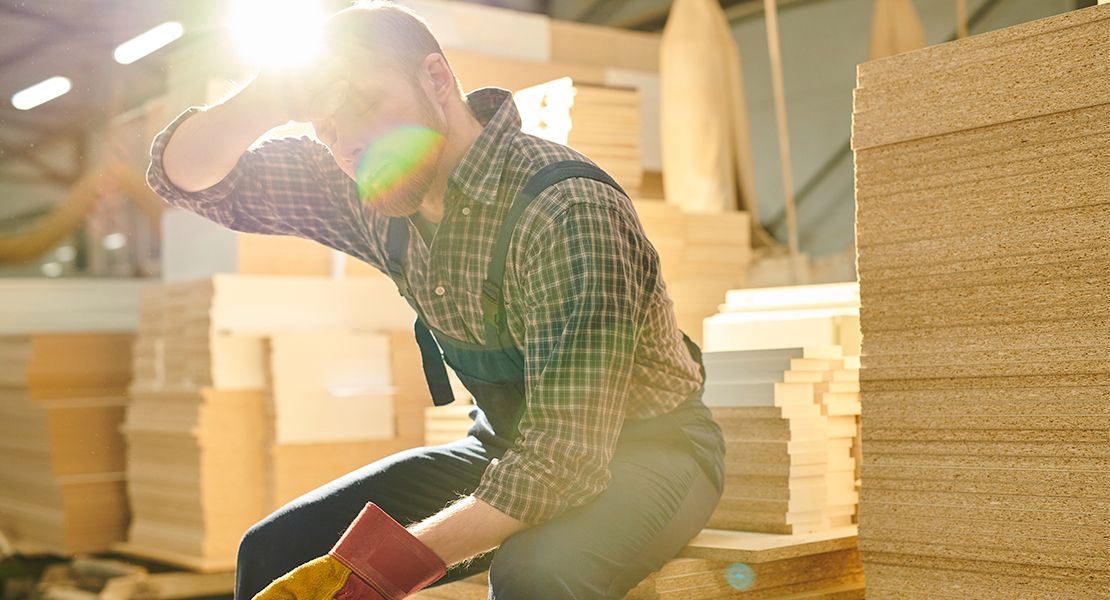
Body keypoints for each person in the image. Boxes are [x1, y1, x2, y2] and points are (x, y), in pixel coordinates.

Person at [147, 2, 725, 598]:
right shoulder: (367, 188)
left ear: (437, 80)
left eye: (366, 106)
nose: (351, 143)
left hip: (648, 452)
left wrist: (374, 570)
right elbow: (186, 176)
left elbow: (566, 461)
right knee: (274, 550)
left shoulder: (565, 212)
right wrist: (269, 96)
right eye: (328, 125)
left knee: (537, 575)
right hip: (506, 447)